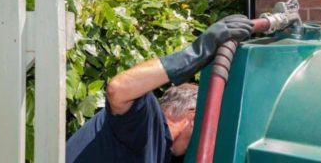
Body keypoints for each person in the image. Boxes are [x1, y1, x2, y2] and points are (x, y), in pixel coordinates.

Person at [66, 15, 253, 163]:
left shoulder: (162, 149)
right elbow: (119, 89)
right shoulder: (148, 120)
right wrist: (197, 52)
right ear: (193, 117)